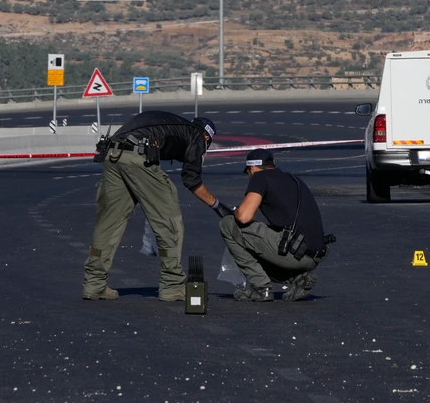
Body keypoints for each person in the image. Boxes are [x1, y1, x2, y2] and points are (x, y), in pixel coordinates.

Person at [82, 111, 233, 302]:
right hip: (138, 155)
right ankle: (172, 285)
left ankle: (94, 284)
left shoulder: (176, 125)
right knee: (169, 221)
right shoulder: (198, 135)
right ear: (207, 136)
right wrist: (218, 206)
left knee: (108, 223)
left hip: (113, 152)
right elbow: (191, 180)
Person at [219, 149, 329, 302]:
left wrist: (235, 211)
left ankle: (260, 288)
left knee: (229, 225)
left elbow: (244, 217)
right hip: (313, 254)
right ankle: (298, 278)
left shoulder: (260, 177)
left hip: (295, 253)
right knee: (263, 237)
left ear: (252, 168)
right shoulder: (293, 178)